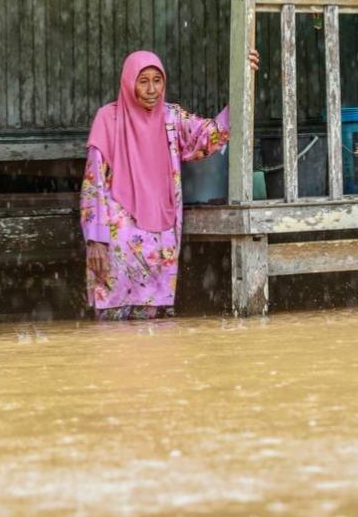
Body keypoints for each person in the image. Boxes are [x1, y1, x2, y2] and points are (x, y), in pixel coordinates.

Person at [80, 49, 259, 321]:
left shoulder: (171, 118)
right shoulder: (108, 118)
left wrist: (245, 80)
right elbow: (93, 183)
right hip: (115, 245)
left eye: (157, 80)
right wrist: (95, 239)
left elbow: (211, 135)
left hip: (160, 241)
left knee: (155, 335)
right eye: (143, 81)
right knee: (112, 333)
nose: (151, 89)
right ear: (129, 82)